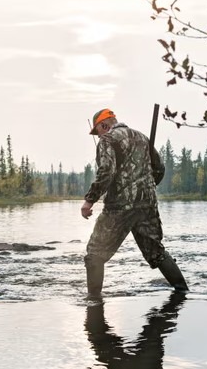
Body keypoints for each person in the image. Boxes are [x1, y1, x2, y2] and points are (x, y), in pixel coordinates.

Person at [81, 108, 189, 297]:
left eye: (97, 131)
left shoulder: (108, 139)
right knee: (156, 253)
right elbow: (159, 168)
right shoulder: (142, 138)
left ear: (104, 125)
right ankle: (183, 292)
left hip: (119, 207)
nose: (98, 136)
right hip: (147, 205)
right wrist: (146, 188)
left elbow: (106, 171)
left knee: (94, 255)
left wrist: (89, 201)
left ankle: (94, 303)